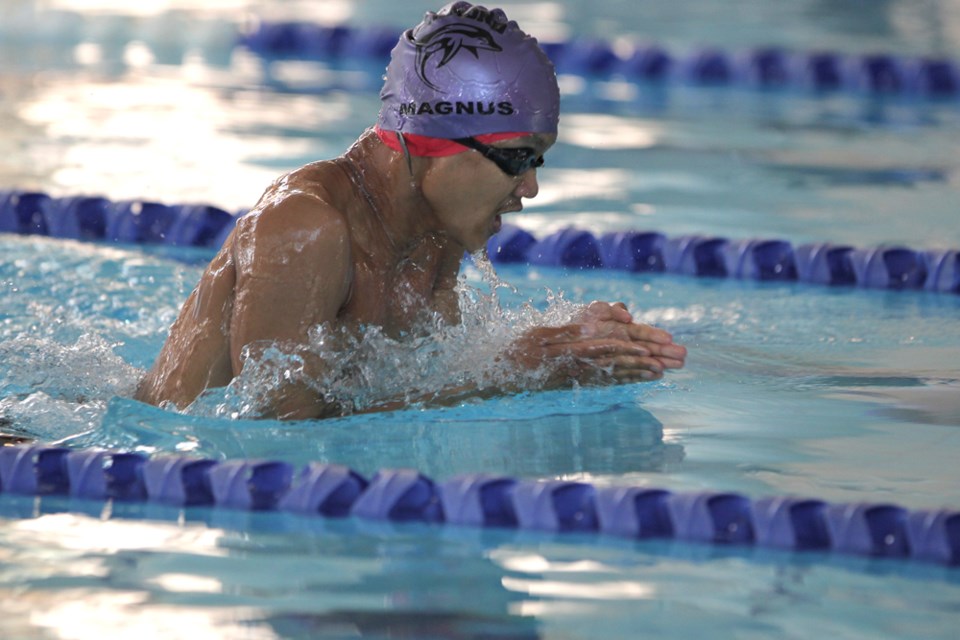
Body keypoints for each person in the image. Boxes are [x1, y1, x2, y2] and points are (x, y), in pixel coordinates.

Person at [135, 1, 687, 420]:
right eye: (517, 158)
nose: (531, 188)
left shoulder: (434, 230)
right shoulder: (304, 227)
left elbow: (411, 385)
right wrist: (520, 372)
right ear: (435, 141)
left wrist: (568, 344)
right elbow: (276, 434)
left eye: (537, 161)